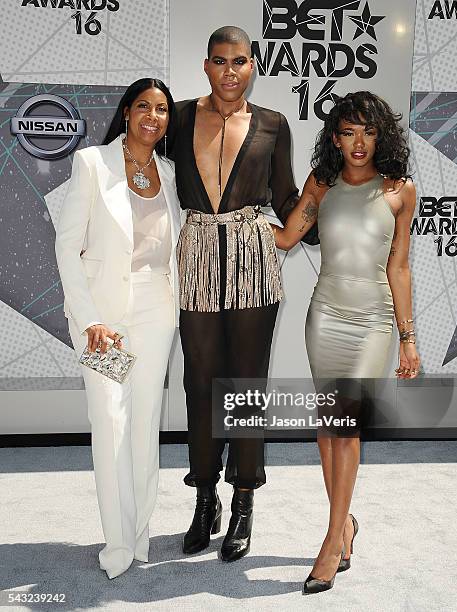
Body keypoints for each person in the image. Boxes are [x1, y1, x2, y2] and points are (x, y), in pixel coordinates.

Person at [173, 25, 318, 562]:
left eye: (239, 61)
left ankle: (242, 504)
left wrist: (317, 199)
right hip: (198, 257)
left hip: (254, 257)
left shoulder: (274, 125)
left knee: (245, 387)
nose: (229, 71)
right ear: (206, 66)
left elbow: (284, 195)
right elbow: (145, 166)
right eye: (219, 61)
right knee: (200, 383)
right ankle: (204, 499)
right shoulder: (179, 116)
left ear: (253, 66)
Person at [272, 91, 421, 594]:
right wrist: (236, 218)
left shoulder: (400, 191)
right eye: (349, 132)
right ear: (335, 137)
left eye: (369, 131)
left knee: (346, 426)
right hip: (325, 318)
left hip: (374, 322)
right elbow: (288, 238)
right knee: (327, 430)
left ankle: (332, 540)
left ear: (383, 136)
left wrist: (407, 338)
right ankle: (345, 526)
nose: (359, 143)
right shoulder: (322, 182)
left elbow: (398, 267)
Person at [55, 78, 180, 579]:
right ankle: (118, 543)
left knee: (145, 424)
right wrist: (90, 321)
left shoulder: (169, 172)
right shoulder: (92, 164)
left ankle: (140, 534)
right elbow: (68, 247)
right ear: (127, 112)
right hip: (103, 319)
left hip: (156, 309)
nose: (154, 116)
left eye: (163, 109)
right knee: (111, 424)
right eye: (145, 107)